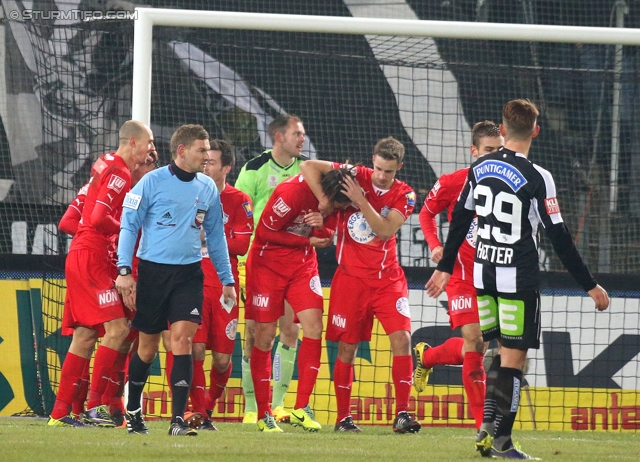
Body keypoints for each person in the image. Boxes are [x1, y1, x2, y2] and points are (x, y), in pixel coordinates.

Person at [425, 99, 609, 459]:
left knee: (495, 350)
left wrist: (446, 266)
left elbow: (460, 218)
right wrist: (589, 284)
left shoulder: (478, 168)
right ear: (535, 132)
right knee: (514, 361)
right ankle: (502, 441)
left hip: (483, 275)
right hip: (516, 279)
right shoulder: (539, 177)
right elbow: (558, 236)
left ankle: (486, 426)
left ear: (503, 131)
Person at [115, 124, 236, 437]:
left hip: (189, 274)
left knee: (183, 340)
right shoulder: (151, 183)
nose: (206, 157)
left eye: (208, 151)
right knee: (148, 347)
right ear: (182, 151)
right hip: (154, 272)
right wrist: (124, 270)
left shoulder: (208, 188)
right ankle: (133, 410)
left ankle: (177, 421)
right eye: (201, 150)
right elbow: (129, 227)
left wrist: (227, 279)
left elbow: (216, 235)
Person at [300, 137, 421, 434]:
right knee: (347, 348)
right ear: (373, 160)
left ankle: (402, 413)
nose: (381, 176)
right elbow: (308, 166)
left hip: (387, 281)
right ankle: (344, 418)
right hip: (350, 280)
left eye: (388, 172)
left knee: (403, 339)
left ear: (399, 169)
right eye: (378, 168)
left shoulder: (405, 194)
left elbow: (383, 230)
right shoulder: (356, 175)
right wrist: (326, 204)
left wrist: (360, 200)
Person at [47, 120, 156, 427]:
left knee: (85, 335)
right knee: (119, 331)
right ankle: (96, 405)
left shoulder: (107, 162)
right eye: (148, 144)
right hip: (92, 257)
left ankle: (60, 413)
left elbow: (81, 216)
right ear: (132, 142)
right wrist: (127, 232)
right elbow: (97, 218)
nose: (150, 152)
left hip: (83, 255)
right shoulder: (120, 172)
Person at [247, 169, 352, 432]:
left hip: (302, 265)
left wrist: (321, 227)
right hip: (267, 265)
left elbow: (326, 236)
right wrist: (307, 238)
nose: (340, 210)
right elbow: (264, 233)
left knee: (314, 327)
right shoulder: (290, 194)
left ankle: (301, 407)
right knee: (265, 336)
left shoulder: (333, 194)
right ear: (328, 195)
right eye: (338, 205)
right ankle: (262, 413)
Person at [413, 121, 503, 430]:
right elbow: (426, 213)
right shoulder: (455, 182)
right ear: (474, 151)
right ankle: (482, 427)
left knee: (477, 349)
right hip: (461, 276)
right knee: (474, 340)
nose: (494, 156)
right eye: (488, 150)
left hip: (496, 277)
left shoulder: (510, 186)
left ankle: (426, 358)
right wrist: (437, 247)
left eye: (499, 150)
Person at [235, 114, 307, 424]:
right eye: (297, 133)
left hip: (293, 261)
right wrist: (239, 264)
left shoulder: (306, 171)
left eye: (302, 134)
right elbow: (238, 217)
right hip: (257, 263)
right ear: (279, 137)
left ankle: (277, 405)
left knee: (291, 329)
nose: (302, 138)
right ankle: (252, 407)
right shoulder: (253, 170)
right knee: (254, 334)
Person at [182, 140, 253, 430]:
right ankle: (198, 411)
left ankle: (207, 406)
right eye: (204, 159)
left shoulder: (239, 200)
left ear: (226, 167)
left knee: (222, 360)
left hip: (225, 289)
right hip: (193, 282)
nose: (205, 164)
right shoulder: (188, 194)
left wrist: (207, 237)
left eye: (211, 161)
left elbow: (242, 243)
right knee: (194, 350)